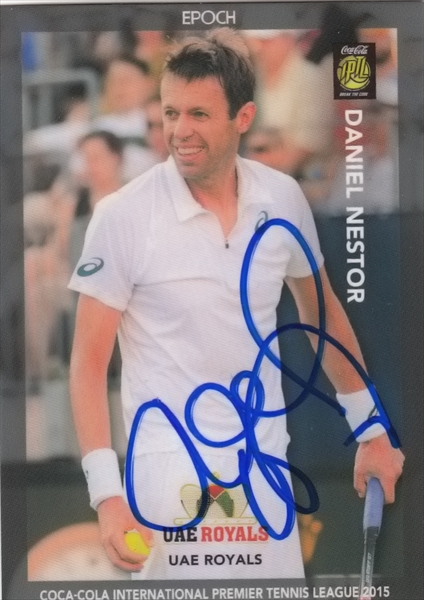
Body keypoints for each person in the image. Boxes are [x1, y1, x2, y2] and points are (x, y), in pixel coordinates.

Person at [68, 28, 404, 580]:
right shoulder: (121, 216)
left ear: (243, 117)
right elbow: (87, 363)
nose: (180, 130)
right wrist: (106, 494)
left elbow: (321, 317)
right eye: (171, 113)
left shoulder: (282, 197)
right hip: (170, 476)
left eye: (198, 114)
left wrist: (370, 430)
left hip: (265, 471)